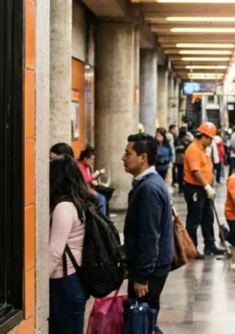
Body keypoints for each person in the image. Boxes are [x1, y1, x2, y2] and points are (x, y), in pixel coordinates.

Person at [122, 133, 174, 334]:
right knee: (145, 321)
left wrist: (142, 276)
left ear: (143, 157)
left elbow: (149, 236)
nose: (123, 158)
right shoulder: (149, 183)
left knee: (141, 322)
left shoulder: (149, 189)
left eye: (128, 153)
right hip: (151, 265)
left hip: (150, 270)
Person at [48, 154, 98, 334]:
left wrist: (35, 284)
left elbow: (54, 252)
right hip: (75, 280)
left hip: (64, 283)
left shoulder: (64, 208)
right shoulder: (80, 202)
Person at [183, 122, 224, 259]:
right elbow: (196, 171)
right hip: (195, 188)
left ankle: (210, 245)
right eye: (210, 139)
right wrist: (207, 186)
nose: (211, 141)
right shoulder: (193, 149)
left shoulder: (204, 149)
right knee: (194, 219)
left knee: (208, 217)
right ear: (204, 136)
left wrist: (208, 186)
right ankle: (191, 249)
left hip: (204, 188)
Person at [77, 146, 110, 216]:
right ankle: (101, 218)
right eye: (91, 159)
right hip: (82, 190)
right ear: (85, 158)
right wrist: (96, 174)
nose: (92, 162)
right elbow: (86, 179)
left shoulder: (86, 166)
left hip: (87, 188)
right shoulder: (79, 166)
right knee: (101, 198)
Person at [173, 129, 189, 193]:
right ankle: (183, 186)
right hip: (184, 157)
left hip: (177, 158)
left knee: (179, 171)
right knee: (183, 172)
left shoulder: (177, 139)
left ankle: (180, 187)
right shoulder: (187, 139)